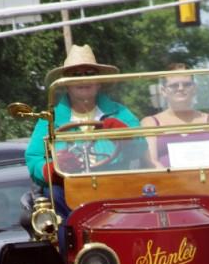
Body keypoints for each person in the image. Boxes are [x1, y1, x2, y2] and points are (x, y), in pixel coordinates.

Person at [25, 44, 144, 247]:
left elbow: (142, 145)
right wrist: (54, 169)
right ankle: (69, 262)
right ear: (66, 83)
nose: (82, 78)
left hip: (115, 185)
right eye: (75, 74)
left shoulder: (119, 112)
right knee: (55, 200)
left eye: (89, 73)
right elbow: (34, 158)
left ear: (99, 82)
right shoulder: (50, 118)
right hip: (69, 189)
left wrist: (124, 135)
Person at [140, 63, 209, 181]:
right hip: (168, 190)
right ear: (164, 91)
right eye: (174, 85)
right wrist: (174, 183)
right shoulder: (151, 123)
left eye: (186, 84)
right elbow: (151, 161)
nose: (180, 88)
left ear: (194, 88)